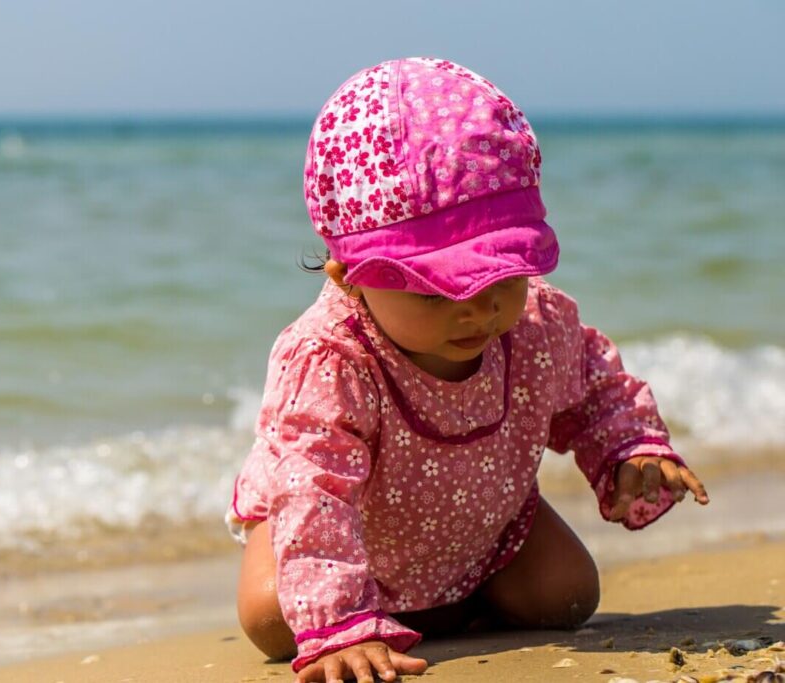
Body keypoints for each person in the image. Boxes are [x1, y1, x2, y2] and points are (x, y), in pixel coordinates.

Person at [225, 57, 709, 683]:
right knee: (272, 618)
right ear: (348, 275)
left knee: (567, 595)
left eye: (499, 275)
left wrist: (627, 447)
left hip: (484, 525)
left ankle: (454, 600)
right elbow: (312, 489)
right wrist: (337, 622)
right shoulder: (332, 359)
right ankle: (373, 609)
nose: (476, 309)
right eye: (434, 290)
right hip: (348, 537)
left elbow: (593, 385)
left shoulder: (533, 326)